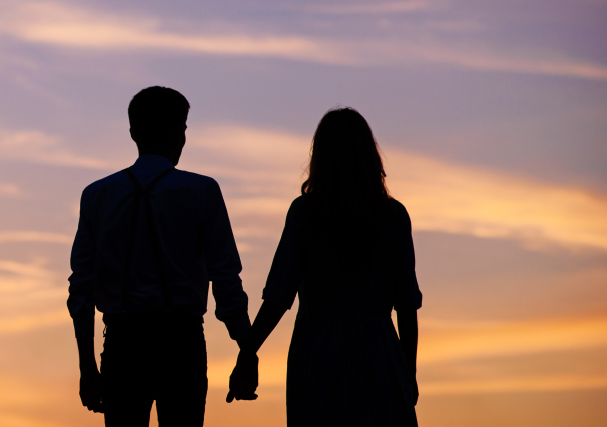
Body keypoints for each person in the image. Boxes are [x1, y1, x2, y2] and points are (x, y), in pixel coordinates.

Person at [68, 86, 252, 426]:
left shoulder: (97, 196)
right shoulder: (202, 191)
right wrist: (246, 347)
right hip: (181, 345)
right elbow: (226, 280)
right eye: (183, 129)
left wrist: (87, 365)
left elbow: (81, 288)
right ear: (178, 132)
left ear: (133, 133)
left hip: (123, 345)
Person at [226, 107, 422, 426]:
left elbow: (278, 296)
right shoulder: (393, 217)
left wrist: (248, 352)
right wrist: (408, 371)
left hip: (318, 350)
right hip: (379, 350)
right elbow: (407, 306)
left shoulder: (306, 214)